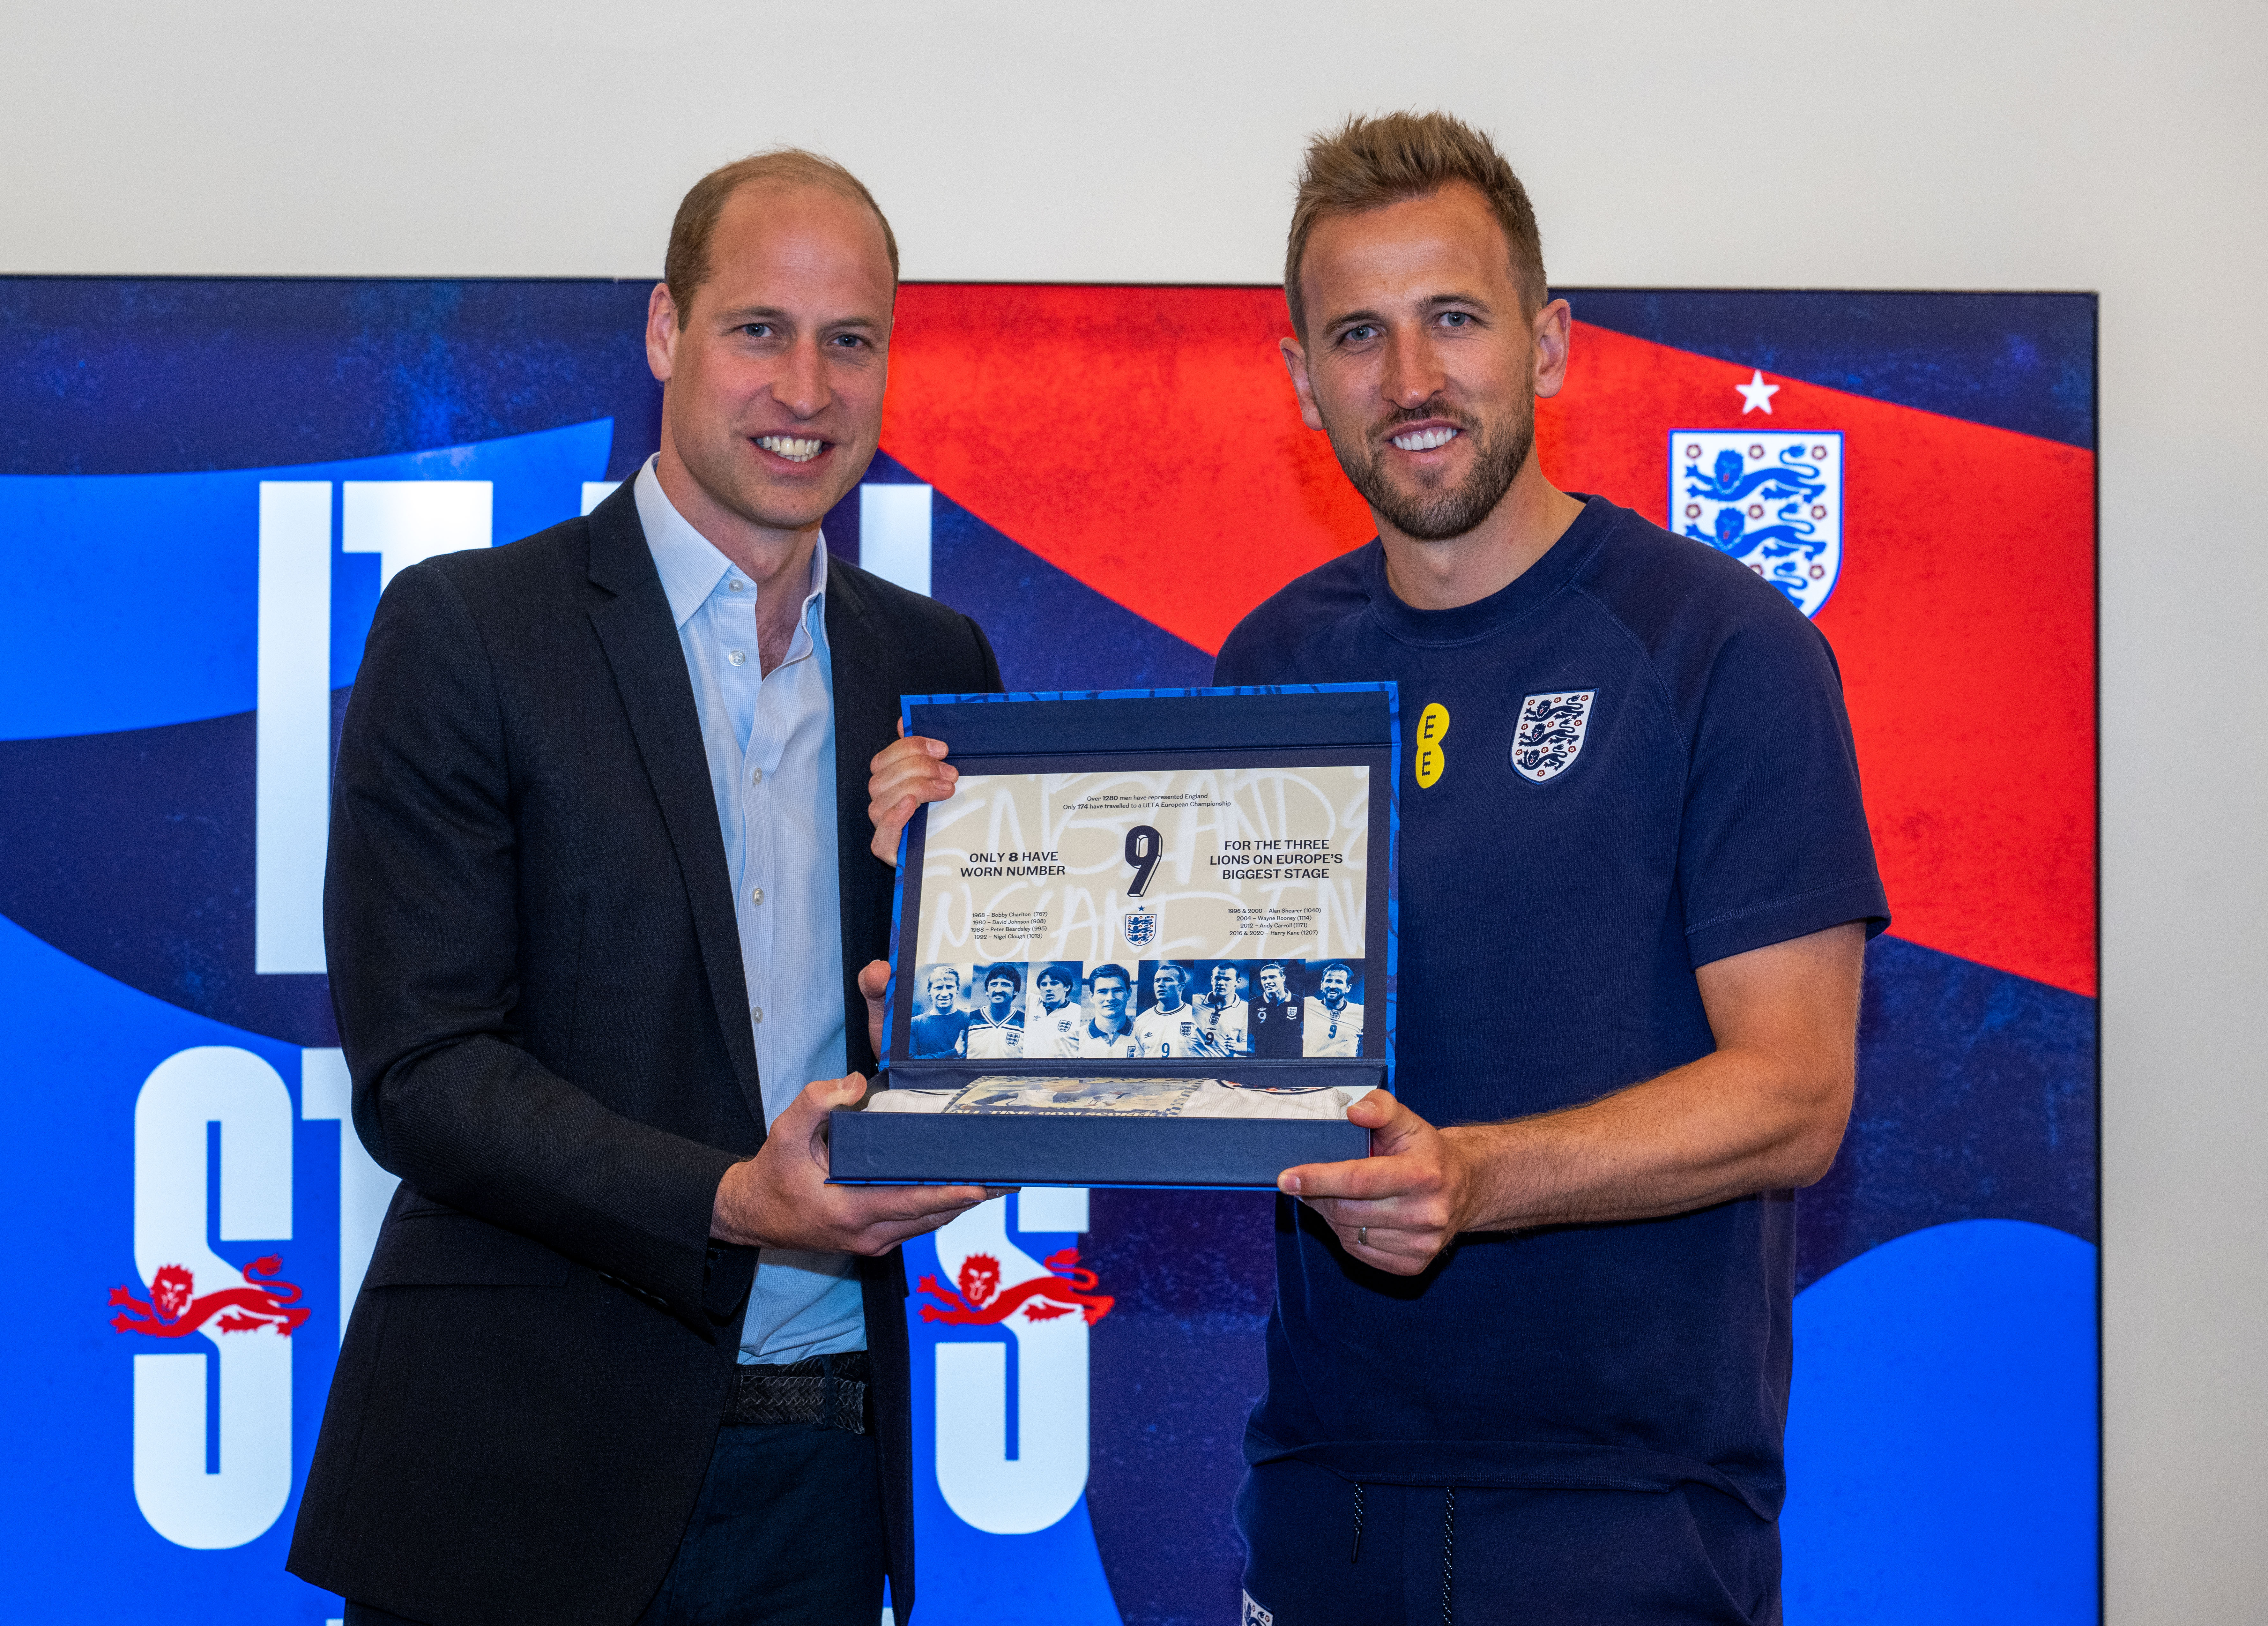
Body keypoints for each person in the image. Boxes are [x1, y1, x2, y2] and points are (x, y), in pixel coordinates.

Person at [867, 111, 1885, 1625]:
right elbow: (1201, 1039)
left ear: (1544, 343)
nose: (1408, 381)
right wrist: (971, 965)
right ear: (1297, 379)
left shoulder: (1716, 646)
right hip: (1323, 1501)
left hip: (1622, 1516)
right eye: (1356, 334)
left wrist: (1475, 1178)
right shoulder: (1277, 663)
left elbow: (1794, 1096)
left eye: (1451, 320)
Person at [291, 150, 1005, 1626]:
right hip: (516, 1468)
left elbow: (954, 1048)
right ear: (666, 334)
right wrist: (731, 1200)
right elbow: (422, 1072)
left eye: (848, 341)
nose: (803, 388)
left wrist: (950, 1020)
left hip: (821, 1467)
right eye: (758, 330)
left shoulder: (934, 667)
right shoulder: (472, 632)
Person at [1131, 960, 1203, 1057]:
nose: (1161, 984)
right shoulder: (1142, 1020)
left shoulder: (1197, 1017)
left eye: (1168, 980)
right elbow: (1138, 1060)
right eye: (1157, 981)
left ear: (1182, 986)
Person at [1076, 963, 1141, 1057]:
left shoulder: (1144, 1036)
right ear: (1091, 997)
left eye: (1118, 991)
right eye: (1103, 992)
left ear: (1129, 994)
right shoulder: (1075, 1038)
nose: (1111, 998)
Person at [1245, 960, 1307, 1058]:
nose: (1268, 982)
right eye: (1264, 979)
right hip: (1265, 1064)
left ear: (1283, 978)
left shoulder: (1301, 1003)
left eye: (1272, 977)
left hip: (1293, 1063)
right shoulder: (1252, 1006)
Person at [963, 964, 1026, 1058]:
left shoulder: (1025, 1022)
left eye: (1005, 985)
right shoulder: (969, 1020)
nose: (998, 990)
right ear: (987, 991)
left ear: (1016, 991)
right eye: (994, 984)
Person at [1024, 961, 1086, 1058]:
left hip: (1061, 1072)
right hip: (1030, 1071)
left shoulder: (1078, 1012)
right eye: (1044, 985)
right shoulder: (1033, 1004)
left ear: (1067, 987)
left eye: (1054, 984)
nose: (1048, 988)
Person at [909, 964, 972, 1058]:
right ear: (929, 991)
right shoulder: (915, 1024)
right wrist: (954, 1053)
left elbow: (972, 1057)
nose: (945, 994)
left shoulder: (969, 1020)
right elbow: (912, 1060)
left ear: (958, 989)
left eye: (950, 987)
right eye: (939, 988)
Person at [1192, 960, 1251, 1056]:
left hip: (1222, 1066)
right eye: (1217, 978)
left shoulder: (1245, 1009)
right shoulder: (1196, 1001)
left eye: (1227, 979)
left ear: (1238, 982)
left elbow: (1249, 1048)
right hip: (1194, 1063)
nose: (1221, 983)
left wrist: (1237, 1046)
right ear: (1212, 980)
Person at [1304, 961, 1364, 1056]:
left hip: (1345, 1070)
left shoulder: (1361, 1013)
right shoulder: (1308, 1005)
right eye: (1329, 981)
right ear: (1322, 985)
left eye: (1339, 982)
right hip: (1312, 1068)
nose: (1332, 986)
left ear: (1348, 988)